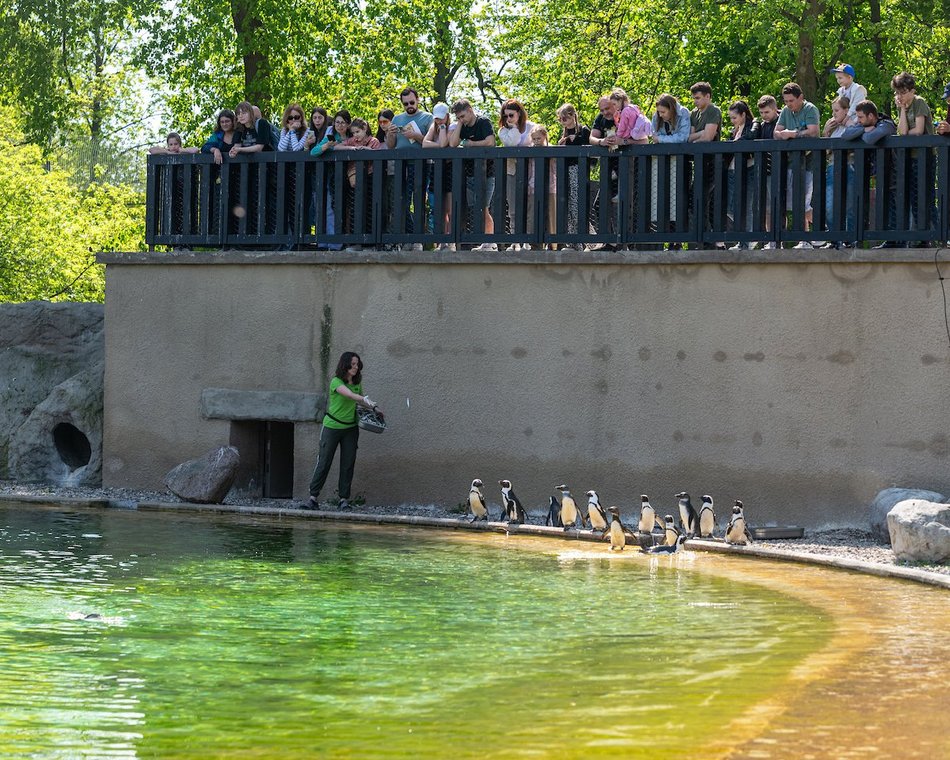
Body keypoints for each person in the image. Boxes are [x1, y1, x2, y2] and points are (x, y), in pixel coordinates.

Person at [307, 352, 382, 510]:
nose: (355, 367)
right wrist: (363, 399)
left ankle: (343, 500)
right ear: (345, 365)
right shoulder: (336, 382)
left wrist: (375, 408)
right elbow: (350, 395)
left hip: (350, 429)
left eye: (357, 364)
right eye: (353, 364)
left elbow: (361, 401)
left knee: (348, 463)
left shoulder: (356, 383)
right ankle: (313, 498)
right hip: (332, 427)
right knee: (324, 461)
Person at [841, 100, 897, 248]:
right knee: (885, 205)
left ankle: (899, 241)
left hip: (894, 173)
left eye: (860, 118)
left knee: (894, 206)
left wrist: (863, 132)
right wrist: (864, 129)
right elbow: (846, 134)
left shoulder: (887, 123)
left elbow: (869, 139)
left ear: (871, 115)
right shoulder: (865, 125)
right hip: (878, 173)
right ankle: (890, 240)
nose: (858, 121)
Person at [385, 87, 433, 248]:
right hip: (400, 166)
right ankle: (407, 237)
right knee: (400, 202)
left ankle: (418, 239)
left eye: (412, 102)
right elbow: (391, 146)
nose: (409, 106)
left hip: (420, 164)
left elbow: (432, 142)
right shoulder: (397, 119)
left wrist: (416, 136)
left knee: (418, 201)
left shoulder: (428, 118)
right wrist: (390, 134)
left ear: (418, 100)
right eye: (405, 104)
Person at [774, 83, 820, 248]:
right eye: (786, 101)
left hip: (809, 162)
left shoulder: (810, 109)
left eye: (791, 100)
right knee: (794, 202)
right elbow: (776, 132)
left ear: (801, 97)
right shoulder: (786, 111)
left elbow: (813, 131)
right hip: (792, 162)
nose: (788, 104)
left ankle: (818, 232)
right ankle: (808, 237)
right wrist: (785, 134)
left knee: (804, 202)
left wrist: (792, 134)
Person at [448, 99, 497, 250]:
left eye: (462, 116)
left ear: (470, 110)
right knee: (473, 207)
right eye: (458, 117)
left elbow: (491, 142)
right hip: (470, 174)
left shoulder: (483, 122)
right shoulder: (462, 126)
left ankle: (490, 241)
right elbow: (453, 143)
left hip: (487, 173)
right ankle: (479, 241)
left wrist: (471, 144)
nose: (460, 119)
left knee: (484, 206)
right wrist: (460, 124)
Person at [650, 93, 691, 247]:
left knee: (678, 200)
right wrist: (662, 139)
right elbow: (654, 135)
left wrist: (662, 140)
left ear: (672, 109)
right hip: (662, 163)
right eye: (659, 112)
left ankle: (677, 241)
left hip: (680, 163)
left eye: (663, 112)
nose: (660, 115)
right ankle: (662, 240)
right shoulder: (657, 117)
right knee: (661, 199)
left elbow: (683, 137)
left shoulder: (683, 113)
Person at [497, 99, 535, 251]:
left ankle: (527, 241)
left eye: (511, 115)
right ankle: (515, 240)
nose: (508, 119)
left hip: (531, 171)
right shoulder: (503, 130)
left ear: (519, 113)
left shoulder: (531, 127)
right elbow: (512, 143)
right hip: (512, 171)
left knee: (529, 206)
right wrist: (513, 127)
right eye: (505, 116)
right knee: (513, 207)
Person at [688, 82, 722, 246]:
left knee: (705, 200)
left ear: (708, 96)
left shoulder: (713, 111)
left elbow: (708, 137)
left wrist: (699, 135)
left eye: (698, 98)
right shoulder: (694, 113)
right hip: (699, 162)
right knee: (694, 200)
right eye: (694, 98)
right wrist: (700, 135)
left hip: (712, 162)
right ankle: (703, 238)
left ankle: (711, 240)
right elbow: (689, 137)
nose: (695, 101)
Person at [820, 96, 856, 247]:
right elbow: (826, 150)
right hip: (832, 166)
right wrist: (826, 132)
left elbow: (854, 141)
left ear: (846, 110)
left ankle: (850, 239)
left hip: (849, 166)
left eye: (837, 110)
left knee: (849, 205)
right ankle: (834, 238)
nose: (833, 114)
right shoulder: (832, 126)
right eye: (832, 110)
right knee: (829, 205)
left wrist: (847, 123)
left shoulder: (853, 124)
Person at [556, 103, 591, 247]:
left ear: (572, 116)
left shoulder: (583, 130)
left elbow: (589, 148)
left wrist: (575, 141)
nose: (563, 121)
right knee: (569, 206)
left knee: (578, 205)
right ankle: (571, 242)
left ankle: (582, 240)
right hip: (565, 171)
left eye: (565, 118)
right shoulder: (563, 134)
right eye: (560, 119)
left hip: (579, 171)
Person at [423, 102, 456, 248]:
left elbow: (443, 143)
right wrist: (439, 146)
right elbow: (425, 144)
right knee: (438, 209)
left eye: (441, 118)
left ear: (447, 116)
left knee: (449, 208)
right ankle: (439, 243)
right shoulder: (433, 126)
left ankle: (450, 240)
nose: (439, 121)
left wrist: (443, 128)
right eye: (436, 118)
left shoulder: (452, 127)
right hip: (436, 168)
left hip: (450, 169)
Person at [725, 101, 758, 249]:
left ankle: (746, 240)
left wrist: (736, 142)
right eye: (730, 118)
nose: (732, 121)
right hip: (733, 170)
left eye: (734, 117)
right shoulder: (735, 130)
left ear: (743, 114)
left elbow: (752, 136)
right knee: (731, 207)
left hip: (748, 169)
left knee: (746, 206)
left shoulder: (753, 124)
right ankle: (746, 237)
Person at [750, 95, 781, 246]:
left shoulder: (782, 121)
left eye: (767, 112)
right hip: (766, 171)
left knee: (781, 207)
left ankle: (779, 238)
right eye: (761, 113)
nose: (764, 115)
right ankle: (771, 240)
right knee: (769, 207)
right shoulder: (762, 125)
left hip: (781, 169)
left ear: (775, 109)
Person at [527, 125, 556, 247]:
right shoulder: (530, 150)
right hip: (533, 186)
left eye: (539, 138)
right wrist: (528, 184)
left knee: (551, 215)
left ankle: (553, 244)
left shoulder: (552, 150)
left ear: (545, 136)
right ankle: (534, 244)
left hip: (550, 186)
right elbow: (529, 169)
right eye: (534, 139)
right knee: (532, 214)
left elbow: (555, 170)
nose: (536, 141)